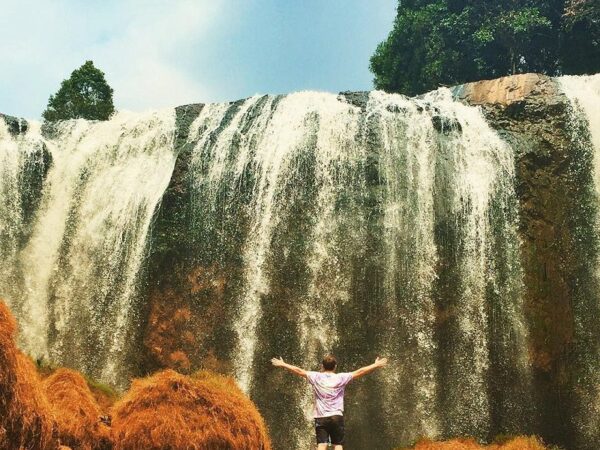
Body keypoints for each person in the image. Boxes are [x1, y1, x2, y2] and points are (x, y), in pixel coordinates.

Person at [271, 354, 388, 449]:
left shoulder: (316, 376)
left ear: (322, 366)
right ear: (335, 366)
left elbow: (299, 371)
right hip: (337, 416)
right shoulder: (341, 377)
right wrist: (375, 365)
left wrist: (283, 364)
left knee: (322, 444)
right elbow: (360, 371)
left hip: (321, 416)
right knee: (338, 445)